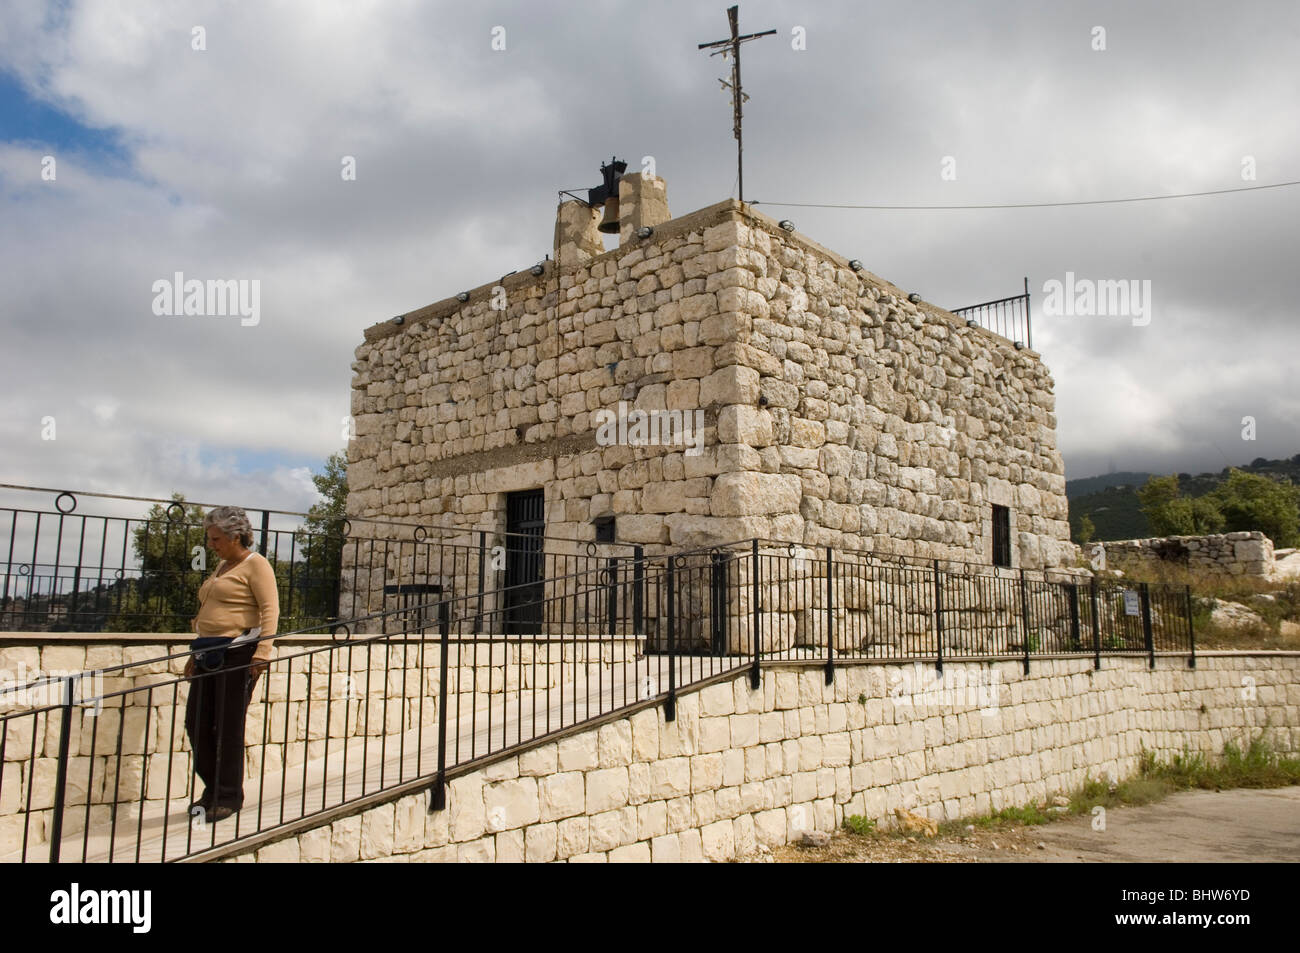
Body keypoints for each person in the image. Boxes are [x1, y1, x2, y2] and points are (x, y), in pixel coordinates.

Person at [183, 506, 279, 821]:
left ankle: (227, 796)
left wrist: (263, 651)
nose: (211, 545)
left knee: (227, 725)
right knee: (197, 724)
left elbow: (270, 609)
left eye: (216, 539)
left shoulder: (256, 565)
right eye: (210, 539)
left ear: (235, 536)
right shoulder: (223, 566)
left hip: (238, 652)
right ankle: (212, 789)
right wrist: (192, 655)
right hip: (206, 653)